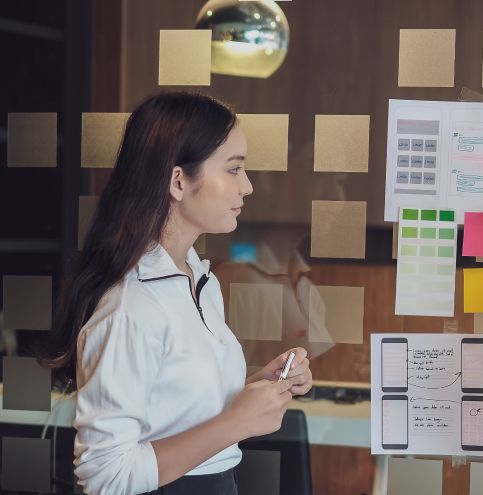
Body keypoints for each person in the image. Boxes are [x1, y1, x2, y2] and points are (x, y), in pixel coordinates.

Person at [39, 92, 313, 495]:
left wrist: (259, 388)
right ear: (179, 180)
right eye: (234, 169)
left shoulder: (199, 280)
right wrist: (236, 422)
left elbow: (177, 410)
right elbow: (104, 474)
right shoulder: (131, 306)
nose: (248, 185)